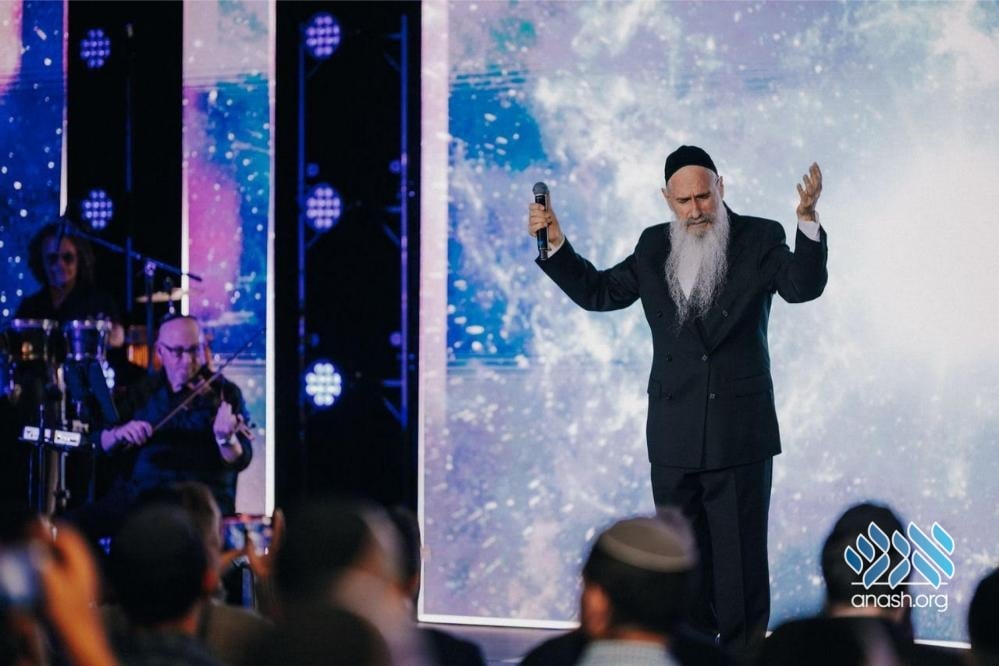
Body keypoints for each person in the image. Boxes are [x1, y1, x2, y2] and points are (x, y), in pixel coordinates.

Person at [528, 145, 828, 650]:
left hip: (739, 436)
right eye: (684, 201)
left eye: (704, 197)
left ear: (721, 188)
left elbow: (803, 285)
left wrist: (807, 221)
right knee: (679, 573)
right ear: (666, 199)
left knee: (739, 574)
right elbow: (600, 292)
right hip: (673, 438)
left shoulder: (760, 237)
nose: (696, 211)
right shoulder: (652, 246)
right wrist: (555, 244)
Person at [69, 314, 253, 540]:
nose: (188, 360)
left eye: (194, 350)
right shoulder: (142, 390)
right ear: (160, 351)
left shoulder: (224, 393)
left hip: (199, 503)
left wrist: (226, 439)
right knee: (69, 527)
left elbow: (241, 458)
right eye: (178, 352)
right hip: (143, 497)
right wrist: (118, 434)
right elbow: (98, 442)